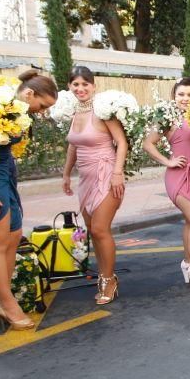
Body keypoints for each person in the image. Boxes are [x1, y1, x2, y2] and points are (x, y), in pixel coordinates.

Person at [0, 71, 57, 329]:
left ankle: (0, 297)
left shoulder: (18, 112)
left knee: (13, 235)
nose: (42, 112)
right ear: (29, 94)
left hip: (2, 175)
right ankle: (9, 305)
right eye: (42, 106)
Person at [62, 65, 129, 305]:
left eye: (85, 84)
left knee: (101, 229)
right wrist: (67, 174)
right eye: (75, 84)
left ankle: (109, 279)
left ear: (93, 86)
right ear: (70, 86)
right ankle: (103, 275)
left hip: (106, 173)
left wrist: (117, 173)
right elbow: (73, 146)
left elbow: (121, 142)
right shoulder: (74, 113)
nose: (80, 88)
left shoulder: (103, 111)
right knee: (93, 231)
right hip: (86, 177)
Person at [142, 78, 190, 291]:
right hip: (180, 176)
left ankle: (187, 262)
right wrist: (168, 161)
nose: (185, 98)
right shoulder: (168, 117)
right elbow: (148, 143)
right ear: (174, 96)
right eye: (181, 94)